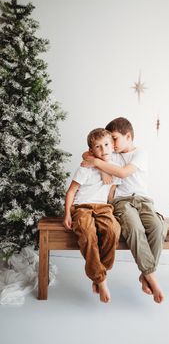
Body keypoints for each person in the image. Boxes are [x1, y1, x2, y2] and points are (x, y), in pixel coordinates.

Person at [81, 117, 167, 303]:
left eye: (114, 138)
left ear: (128, 136)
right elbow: (87, 154)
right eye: (109, 141)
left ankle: (145, 274)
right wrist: (100, 165)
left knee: (158, 227)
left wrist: (99, 165)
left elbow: (122, 173)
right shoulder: (111, 153)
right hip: (122, 201)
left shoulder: (140, 153)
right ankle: (151, 276)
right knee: (134, 228)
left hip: (144, 200)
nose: (111, 144)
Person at [63, 128, 121, 303]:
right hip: (82, 207)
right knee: (88, 234)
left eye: (106, 145)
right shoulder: (86, 167)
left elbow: (111, 192)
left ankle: (100, 273)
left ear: (112, 146)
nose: (103, 150)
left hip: (103, 207)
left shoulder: (114, 167)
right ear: (91, 151)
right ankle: (101, 280)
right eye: (98, 147)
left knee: (113, 230)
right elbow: (71, 191)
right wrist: (67, 213)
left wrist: (113, 211)